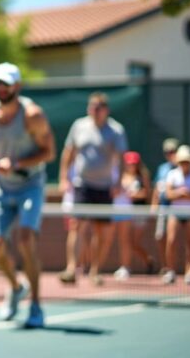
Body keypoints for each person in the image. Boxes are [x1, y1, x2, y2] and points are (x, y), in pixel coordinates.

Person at [0, 62, 56, 328]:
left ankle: (36, 305)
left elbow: (49, 152)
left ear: (17, 86)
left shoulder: (33, 115)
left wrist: (18, 163)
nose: (0, 89)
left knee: (25, 239)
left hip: (30, 184)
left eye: (6, 84)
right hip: (1, 187)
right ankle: (15, 287)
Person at [59, 92, 127, 286]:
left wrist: (118, 182)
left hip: (105, 187)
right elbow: (68, 153)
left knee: (102, 231)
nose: (94, 111)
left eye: (98, 107)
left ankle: (95, 271)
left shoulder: (116, 130)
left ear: (106, 110)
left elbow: (121, 158)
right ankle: (72, 269)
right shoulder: (79, 126)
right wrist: (64, 178)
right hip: (82, 185)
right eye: (92, 107)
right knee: (77, 226)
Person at [111, 151, 153, 281]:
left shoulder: (142, 176)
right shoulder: (120, 176)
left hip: (139, 213)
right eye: (129, 163)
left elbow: (147, 194)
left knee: (133, 242)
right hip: (126, 213)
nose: (131, 166)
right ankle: (126, 266)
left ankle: (148, 259)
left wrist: (135, 195)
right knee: (126, 240)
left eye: (134, 164)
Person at [164, 145, 190, 284]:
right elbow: (168, 194)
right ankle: (170, 271)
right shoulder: (172, 174)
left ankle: (189, 272)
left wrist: (186, 195)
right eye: (182, 161)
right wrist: (179, 193)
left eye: (187, 161)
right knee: (171, 240)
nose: (184, 164)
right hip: (175, 213)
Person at [151, 138, 179, 277]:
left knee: (172, 239)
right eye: (167, 152)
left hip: (176, 208)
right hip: (163, 207)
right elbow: (157, 189)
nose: (170, 154)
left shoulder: (180, 169)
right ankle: (165, 266)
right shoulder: (162, 168)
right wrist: (154, 205)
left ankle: (174, 268)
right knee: (159, 237)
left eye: (173, 151)